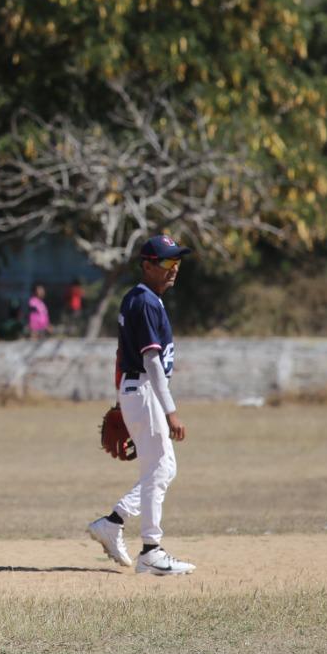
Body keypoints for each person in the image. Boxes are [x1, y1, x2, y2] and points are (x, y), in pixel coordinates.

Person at [86, 234, 195, 577]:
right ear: (147, 265)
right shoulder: (146, 301)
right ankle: (150, 550)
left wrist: (123, 398)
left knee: (162, 470)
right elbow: (150, 360)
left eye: (177, 261)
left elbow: (123, 356)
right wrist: (170, 410)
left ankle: (113, 523)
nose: (173, 268)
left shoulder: (140, 298)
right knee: (160, 469)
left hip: (137, 391)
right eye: (166, 262)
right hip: (145, 389)